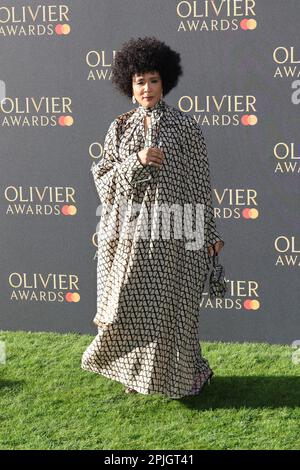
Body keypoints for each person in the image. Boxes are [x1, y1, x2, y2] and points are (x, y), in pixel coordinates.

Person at [81, 36, 225, 399]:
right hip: (131, 236)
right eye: (140, 81)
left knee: (176, 309)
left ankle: (188, 375)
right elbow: (103, 178)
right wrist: (137, 160)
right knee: (130, 306)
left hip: (178, 231)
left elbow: (199, 182)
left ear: (166, 83)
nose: (147, 88)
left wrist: (208, 232)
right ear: (129, 85)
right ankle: (139, 373)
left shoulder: (187, 127)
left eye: (154, 80)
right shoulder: (120, 127)